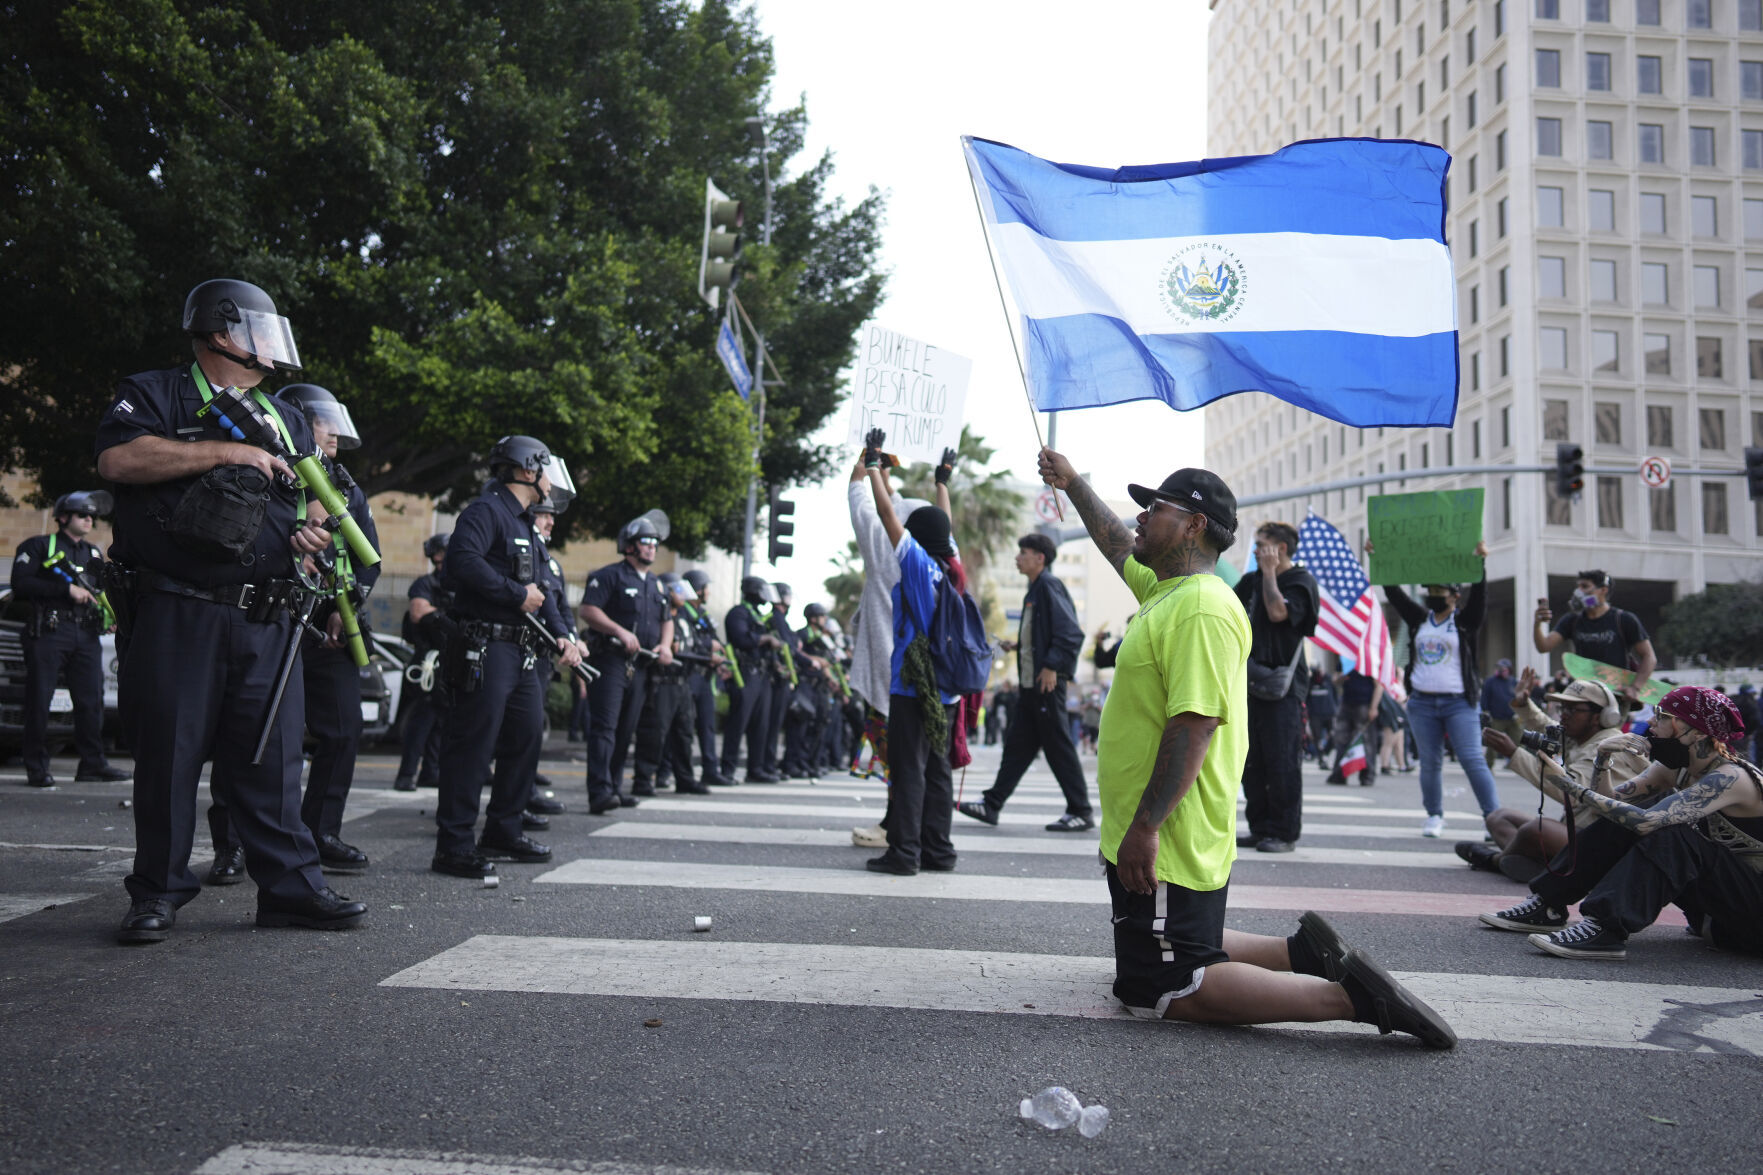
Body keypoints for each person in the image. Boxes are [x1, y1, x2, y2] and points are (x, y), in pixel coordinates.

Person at [1037, 447, 1453, 1047]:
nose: (1140, 518)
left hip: (1168, 836)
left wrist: (1146, 828)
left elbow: (1195, 725)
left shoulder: (1200, 607)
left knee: (1162, 984)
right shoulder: (1167, 591)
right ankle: (1300, 953)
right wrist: (1073, 483)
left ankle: (1351, 998)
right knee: (1168, 947)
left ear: (1194, 525)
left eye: (1154, 507)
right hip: (1165, 832)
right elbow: (1115, 544)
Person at [97, 277, 365, 941]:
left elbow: (308, 505)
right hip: (180, 609)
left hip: (267, 612)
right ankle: (157, 892)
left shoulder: (286, 415)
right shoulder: (156, 392)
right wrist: (225, 449)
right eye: (258, 329)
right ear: (220, 331)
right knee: (169, 757)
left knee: (273, 762)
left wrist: (310, 536)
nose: (270, 345)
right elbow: (118, 460)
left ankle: (290, 889)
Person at [1480, 685, 1763, 961]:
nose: (1651, 722)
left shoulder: (1731, 778)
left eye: (1662, 716)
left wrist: (1567, 784)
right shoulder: (1676, 768)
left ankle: (1606, 928)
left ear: (1697, 731)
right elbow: (1612, 804)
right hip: (1717, 914)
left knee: (1671, 830)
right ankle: (1548, 905)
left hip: (1753, 924)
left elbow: (1645, 823)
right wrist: (1604, 757)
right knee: (1635, 809)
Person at [430, 436, 582, 879]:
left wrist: (563, 637)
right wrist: (515, 595)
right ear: (528, 469)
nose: (552, 480)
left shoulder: (524, 524)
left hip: (521, 652)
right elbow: (462, 562)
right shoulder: (486, 511)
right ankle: (454, 846)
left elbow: (544, 592)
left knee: (525, 736)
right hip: (486, 646)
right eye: (547, 469)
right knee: (472, 747)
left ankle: (503, 828)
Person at [861, 439, 963, 876]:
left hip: (912, 684)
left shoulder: (919, 564)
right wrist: (942, 482)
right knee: (937, 768)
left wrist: (871, 468)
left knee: (908, 770)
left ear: (916, 536)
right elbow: (946, 525)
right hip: (946, 687)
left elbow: (887, 516)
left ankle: (904, 853)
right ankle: (938, 850)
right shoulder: (952, 565)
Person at [956, 532, 1094, 833]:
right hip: (1032, 686)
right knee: (1017, 747)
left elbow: (1070, 633)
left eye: (1023, 553)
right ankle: (991, 804)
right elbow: (1044, 633)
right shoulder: (1035, 589)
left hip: (1045, 685)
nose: (1018, 558)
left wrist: (1052, 666)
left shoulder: (1048, 585)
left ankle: (1081, 810)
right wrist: (1018, 645)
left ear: (1040, 558)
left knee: (1059, 748)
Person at [1469, 672, 1648, 882]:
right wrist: (1523, 703)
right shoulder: (1583, 736)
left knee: (1535, 830)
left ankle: (1496, 860)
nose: (1564, 714)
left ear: (1600, 716)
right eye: (1564, 708)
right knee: (1498, 818)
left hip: (1600, 844)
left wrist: (1513, 754)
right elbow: (1546, 726)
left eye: (1573, 709)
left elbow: (1571, 793)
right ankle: (1539, 865)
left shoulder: (1608, 746)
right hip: (1575, 834)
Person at [11, 490, 130, 789]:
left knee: (91, 701)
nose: (89, 519)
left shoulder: (92, 553)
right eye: (81, 514)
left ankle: (92, 763)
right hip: (50, 631)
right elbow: (20, 583)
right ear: (63, 517)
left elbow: (102, 591)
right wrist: (65, 591)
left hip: (85, 634)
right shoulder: (38, 546)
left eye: (92, 515)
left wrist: (110, 617)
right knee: (40, 700)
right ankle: (37, 768)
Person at [1383, 547, 1503, 836]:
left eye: (1440, 591)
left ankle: (1494, 819)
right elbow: (1394, 594)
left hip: (1459, 702)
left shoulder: (1464, 622)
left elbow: (1480, 596)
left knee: (1472, 758)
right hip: (1422, 702)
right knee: (1429, 761)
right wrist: (1380, 559)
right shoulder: (1420, 620)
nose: (1432, 595)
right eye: (1430, 590)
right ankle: (1434, 814)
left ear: (1454, 596)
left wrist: (1480, 562)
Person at [1232, 521, 1319, 853]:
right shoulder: (1251, 580)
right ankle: (1260, 826)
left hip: (1284, 687)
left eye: (1261, 544)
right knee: (1251, 759)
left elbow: (1278, 612)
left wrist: (1269, 573)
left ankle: (1283, 832)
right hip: (1248, 681)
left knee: (1281, 758)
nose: (1255, 550)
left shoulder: (1300, 581)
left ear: (1280, 548)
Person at [580, 511, 672, 812]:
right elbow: (589, 610)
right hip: (611, 660)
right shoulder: (609, 576)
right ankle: (599, 791)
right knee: (605, 727)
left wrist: (665, 645)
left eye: (655, 543)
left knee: (625, 729)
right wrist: (618, 630)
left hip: (641, 665)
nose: (652, 548)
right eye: (646, 542)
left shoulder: (657, 585)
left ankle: (615, 787)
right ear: (629, 545)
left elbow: (666, 619)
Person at [1532, 570, 1657, 700]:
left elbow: (1649, 657)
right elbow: (1544, 647)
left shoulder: (1623, 619)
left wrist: (1635, 688)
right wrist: (1537, 624)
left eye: (1585, 586)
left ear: (1603, 590)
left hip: (1615, 696)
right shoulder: (1572, 620)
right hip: (1583, 694)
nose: (1579, 592)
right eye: (1578, 587)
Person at [394, 533, 452, 792]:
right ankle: (406, 775)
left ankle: (431, 772)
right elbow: (418, 612)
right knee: (422, 720)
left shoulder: (457, 583)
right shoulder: (425, 584)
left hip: (449, 659)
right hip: (428, 660)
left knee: (442, 721)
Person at [720, 577, 782, 785]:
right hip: (745, 673)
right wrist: (764, 639)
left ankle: (755, 769)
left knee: (760, 725)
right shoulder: (739, 613)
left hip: (762, 675)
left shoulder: (758, 615)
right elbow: (741, 639)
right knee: (738, 723)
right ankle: (727, 769)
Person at [677, 568, 730, 786]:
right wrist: (710, 647)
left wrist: (720, 657)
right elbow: (685, 640)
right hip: (690, 674)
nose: (708, 592)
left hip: (705, 676)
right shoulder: (683, 611)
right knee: (684, 725)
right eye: (706, 587)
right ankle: (675, 774)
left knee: (708, 725)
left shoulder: (703, 614)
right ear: (698, 589)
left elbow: (717, 640)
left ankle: (710, 770)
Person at [785, 602, 840, 779]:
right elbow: (795, 653)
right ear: (813, 618)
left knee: (819, 724)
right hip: (806, 684)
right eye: (822, 616)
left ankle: (810, 763)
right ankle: (795, 763)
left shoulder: (823, 637)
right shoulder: (802, 634)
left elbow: (828, 661)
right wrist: (815, 660)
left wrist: (831, 678)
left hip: (820, 686)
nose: (825, 620)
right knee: (801, 725)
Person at [759, 582, 802, 779]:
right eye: (788, 596)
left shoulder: (781, 619)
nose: (790, 600)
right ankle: (766, 765)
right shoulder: (774, 618)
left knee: (776, 724)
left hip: (783, 677)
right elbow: (785, 647)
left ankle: (769, 765)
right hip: (776, 678)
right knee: (771, 723)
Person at [1325, 669, 1382, 785]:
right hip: (1346, 702)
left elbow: (1379, 685)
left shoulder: (1369, 657)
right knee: (1341, 740)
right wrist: (1341, 677)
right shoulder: (1347, 658)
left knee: (1366, 741)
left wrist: (1374, 707)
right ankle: (1339, 773)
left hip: (1364, 704)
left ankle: (1367, 775)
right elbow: (1335, 680)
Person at [1480, 659, 1519, 767]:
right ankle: (1488, 765)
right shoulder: (1491, 681)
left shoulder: (1513, 682)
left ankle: (1516, 764)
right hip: (1497, 717)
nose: (1502, 671)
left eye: (1504, 669)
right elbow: (1485, 698)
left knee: (1518, 741)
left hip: (1512, 717)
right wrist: (1486, 711)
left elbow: (1518, 697)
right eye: (1500, 669)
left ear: (1509, 670)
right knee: (1493, 743)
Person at [1305, 669, 1337, 766]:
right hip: (1315, 715)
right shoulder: (1310, 683)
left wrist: (1335, 710)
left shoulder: (1328, 681)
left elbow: (1335, 696)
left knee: (1334, 736)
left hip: (1329, 714)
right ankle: (1321, 757)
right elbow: (1307, 699)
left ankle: (1325, 754)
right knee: (1317, 738)